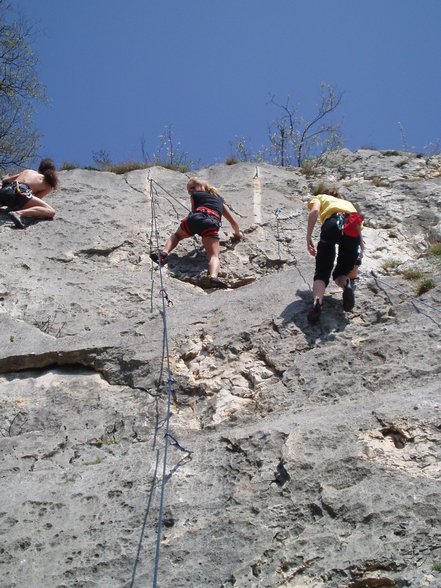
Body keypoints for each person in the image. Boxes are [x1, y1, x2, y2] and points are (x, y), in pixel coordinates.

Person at [150, 177, 243, 288]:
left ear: (202, 185)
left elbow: (194, 212)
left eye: (193, 188)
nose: (191, 191)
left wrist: (186, 219)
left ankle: (163, 253)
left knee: (177, 235)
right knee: (214, 256)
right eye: (189, 190)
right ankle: (213, 277)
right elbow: (233, 222)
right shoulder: (219, 202)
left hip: (195, 219)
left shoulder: (195, 196)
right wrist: (238, 234)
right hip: (211, 224)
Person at [306, 188, 363, 324]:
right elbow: (357, 226)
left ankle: (317, 302)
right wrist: (361, 246)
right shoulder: (348, 203)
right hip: (352, 229)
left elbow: (314, 211)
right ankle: (346, 285)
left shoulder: (321, 197)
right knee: (341, 273)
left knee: (322, 272)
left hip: (332, 224)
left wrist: (308, 237)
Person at [0, 158, 59, 229]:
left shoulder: (28, 171)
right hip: (21, 194)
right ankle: (18, 213)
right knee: (51, 212)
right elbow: (36, 198)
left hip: (6, 190)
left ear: (39, 168)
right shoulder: (48, 185)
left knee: (6, 197)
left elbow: (6, 180)